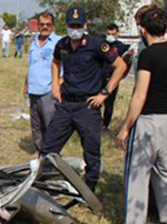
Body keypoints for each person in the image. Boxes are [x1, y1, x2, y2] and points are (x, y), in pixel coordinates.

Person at [41, 7, 127, 192]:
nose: (75, 28)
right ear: (66, 26)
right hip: (66, 104)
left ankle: (89, 189)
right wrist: (55, 84)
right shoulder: (62, 45)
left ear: (85, 25)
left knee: (91, 151)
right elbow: (56, 62)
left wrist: (105, 93)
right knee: (49, 146)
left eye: (78, 25)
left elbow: (120, 65)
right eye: (72, 25)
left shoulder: (97, 45)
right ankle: (43, 183)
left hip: (87, 106)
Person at [116, 9, 167, 224]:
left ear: (143, 29)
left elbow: (140, 95)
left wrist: (126, 126)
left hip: (149, 120)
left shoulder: (148, 55)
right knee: (166, 172)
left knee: (138, 173)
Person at [23, 12, 61, 153]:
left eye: (48, 24)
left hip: (48, 91)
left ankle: (52, 156)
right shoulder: (33, 42)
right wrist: (26, 85)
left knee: (50, 125)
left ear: (53, 26)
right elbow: (31, 65)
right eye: (42, 24)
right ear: (38, 25)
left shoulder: (59, 42)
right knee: (36, 126)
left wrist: (58, 86)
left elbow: (63, 67)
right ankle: (41, 153)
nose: (45, 27)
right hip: (33, 90)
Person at [100, 24, 133, 130]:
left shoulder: (120, 46)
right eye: (108, 34)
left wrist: (123, 75)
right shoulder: (101, 44)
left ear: (117, 33)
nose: (110, 36)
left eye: (113, 34)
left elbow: (128, 59)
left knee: (109, 104)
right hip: (99, 77)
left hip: (113, 79)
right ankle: (96, 123)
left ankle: (105, 125)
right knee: (96, 102)